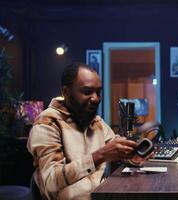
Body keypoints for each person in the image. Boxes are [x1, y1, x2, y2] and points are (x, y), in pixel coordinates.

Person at [27, 62, 152, 200]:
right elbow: (50, 181)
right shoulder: (47, 123)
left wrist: (133, 157)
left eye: (98, 92)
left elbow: (118, 151)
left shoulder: (97, 122)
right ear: (66, 92)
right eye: (87, 92)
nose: (96, 98)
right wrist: (100, 155)